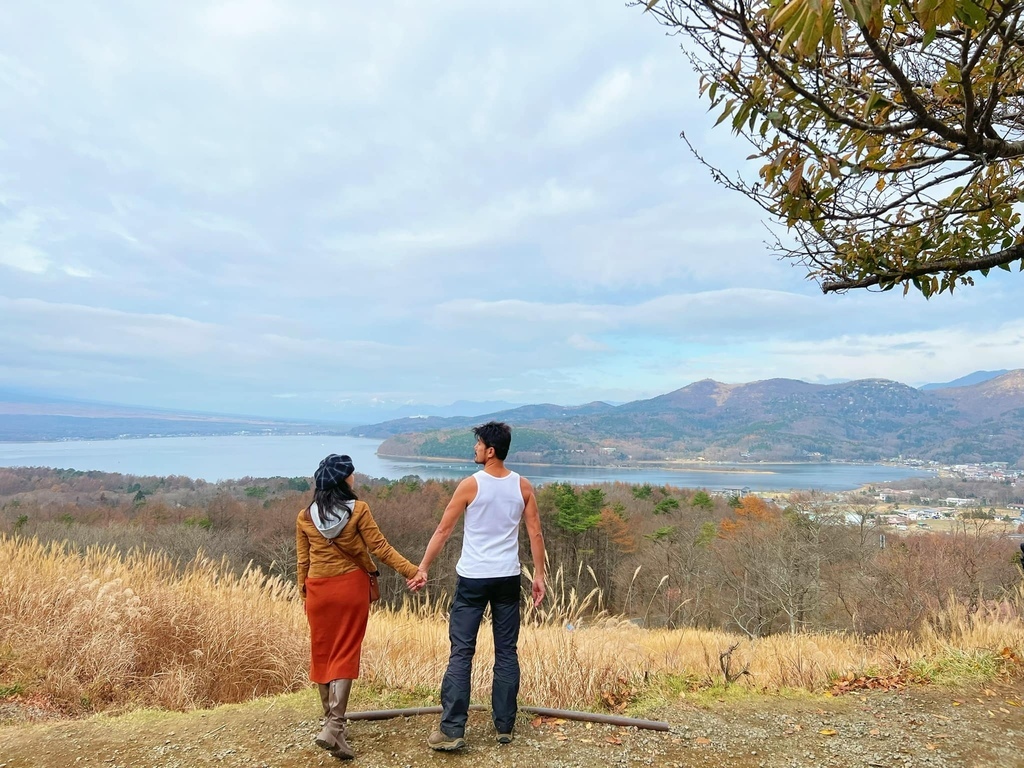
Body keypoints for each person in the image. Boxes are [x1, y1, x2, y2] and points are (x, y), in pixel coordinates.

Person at [410, 421, 546, 751]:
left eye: (478, 444)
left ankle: (452, 729)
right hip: (507, 578)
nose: (475, 449)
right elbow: (535, 535)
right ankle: (504, 726)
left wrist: (423, 567)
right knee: (506, 651)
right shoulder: (523, 486)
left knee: (462, 652)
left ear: (490, 451)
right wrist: (539, 576)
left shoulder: (470, 486)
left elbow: (443, 531)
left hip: (472, 579)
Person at [296, 453, 420, 761]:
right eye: (351, 474)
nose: (355, 477)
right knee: (346, 653)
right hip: (350, 588)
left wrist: (304, 596)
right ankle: (334, 725)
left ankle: (331, 725)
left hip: (317, 591)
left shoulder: (305, 516)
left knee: (323, 653)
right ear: (343, 481)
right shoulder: (359, 510)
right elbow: (380, 548)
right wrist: (412, 570)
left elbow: (303, 561)